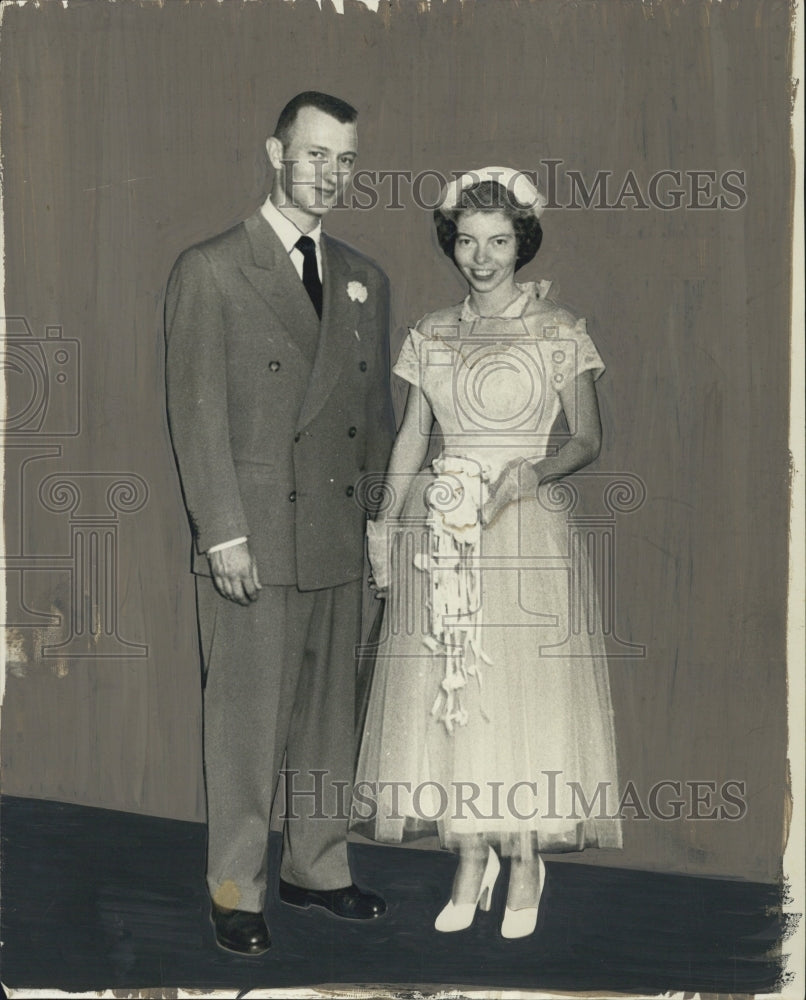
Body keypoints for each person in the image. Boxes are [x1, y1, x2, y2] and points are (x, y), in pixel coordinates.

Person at [354, 167, 622, 940]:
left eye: (498, 241)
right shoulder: (433, 333)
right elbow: (412, 436)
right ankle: (468, 854)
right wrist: (387, 520)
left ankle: (525, 854)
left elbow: (590, 439)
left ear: (522, 244)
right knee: (448, 690)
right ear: (452, 244)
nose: (482, 257)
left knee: (520, 692)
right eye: (467, 242)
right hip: (442, 534)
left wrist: (525, 475)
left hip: (524, 528)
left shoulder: (560, 330)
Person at [165, 91, 395, 955]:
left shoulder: (366, 278)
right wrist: (220, 531)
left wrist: (379, 529)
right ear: (275, 153)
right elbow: (197, 415)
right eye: (315, 155)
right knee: (244, 728)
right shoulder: (214, 268)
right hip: (253, 539)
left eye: (345, 160)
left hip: (337, 535)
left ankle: (318, 868)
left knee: (330, 720)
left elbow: (372, 422)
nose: (330, 175)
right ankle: (236, 886)